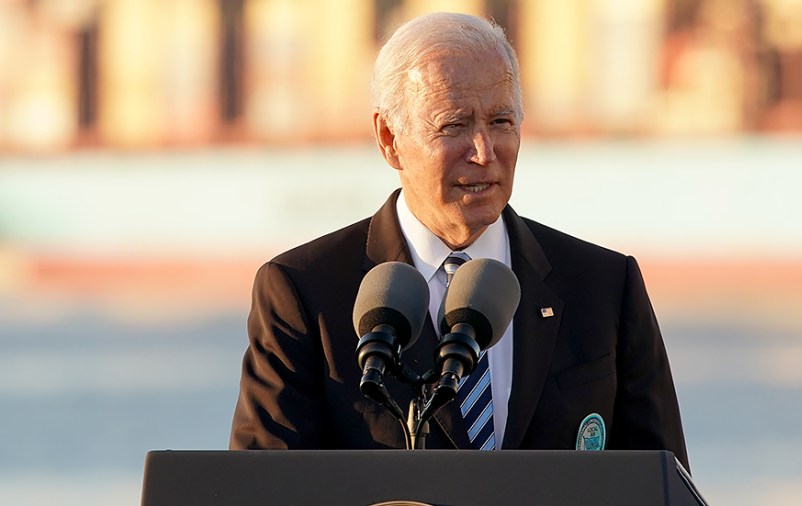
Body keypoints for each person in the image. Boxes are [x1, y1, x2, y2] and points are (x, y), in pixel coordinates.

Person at [230, 12, 689, 469]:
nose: (485, 152)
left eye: (502, 121)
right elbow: (263, 489)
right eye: (454, 125)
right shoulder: (304, 293)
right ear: (389, 139)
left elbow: (665, 483)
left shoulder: (605, 286)